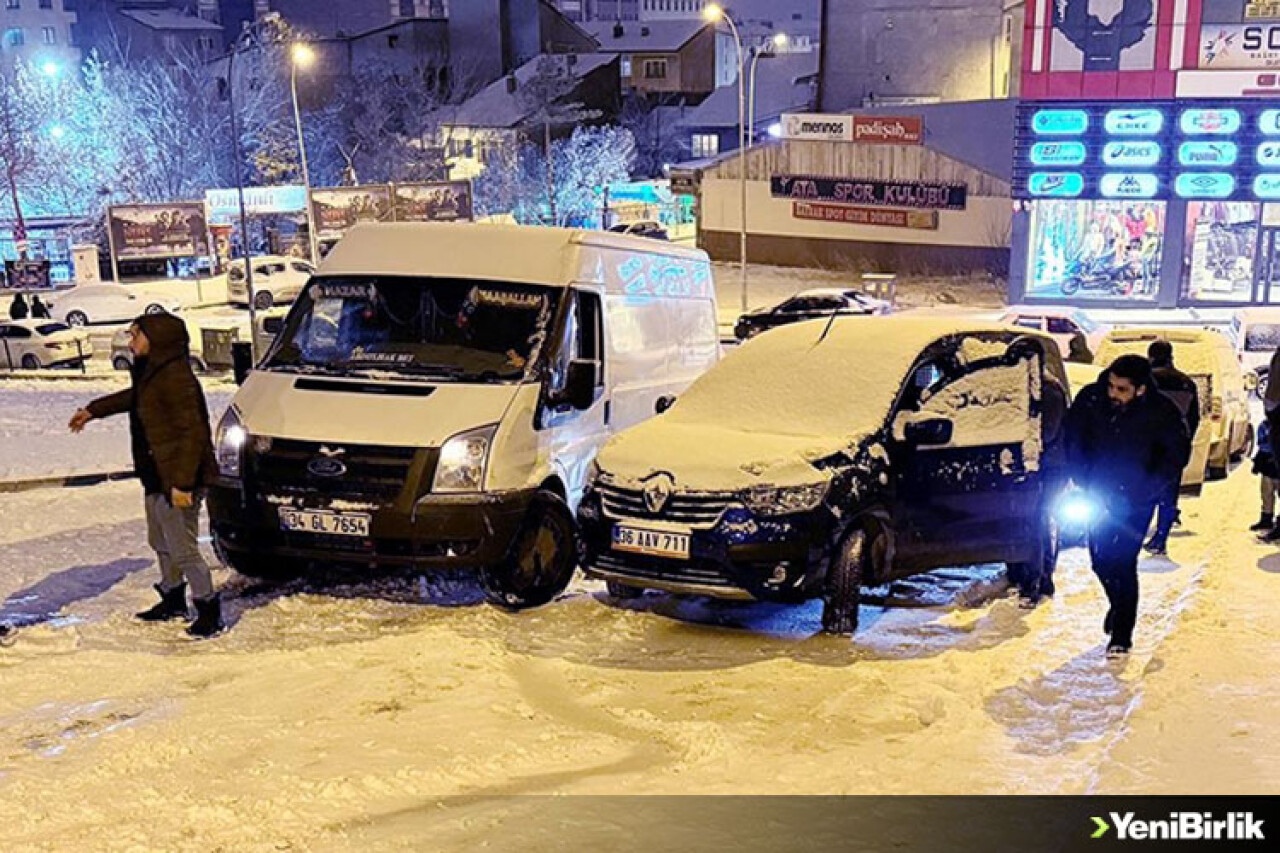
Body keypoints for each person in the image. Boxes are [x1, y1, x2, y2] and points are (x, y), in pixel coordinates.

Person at [68, 313, 224, 638]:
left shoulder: (176, 378)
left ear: (158, 339)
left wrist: (182, 484)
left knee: (183, 548)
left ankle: (209, 610)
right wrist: (93, 410)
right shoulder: (152, 374)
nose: (130, 342)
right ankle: (172, 598)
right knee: (160, 541)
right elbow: (134, 398)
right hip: (156, 474)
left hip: (179, 479)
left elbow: (192, 434)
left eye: (135, 335)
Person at [1066, 354, 1188, 659]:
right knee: (1099, 560)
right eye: (1111, 386)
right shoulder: (1092, 400)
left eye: (1122, 389)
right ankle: (1118, 604)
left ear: (1141, 389)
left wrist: (1147, 489)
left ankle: (1121, 635)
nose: (1114, 394)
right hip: (1098, 492)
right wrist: (1081, 477)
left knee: (1123, 561)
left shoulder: (1162, 412)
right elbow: (1073, 437)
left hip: (1136, 499)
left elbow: (1174, 456)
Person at [1143, 341, 1200, 556]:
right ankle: (1161, 537)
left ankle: (1136, 534)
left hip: (1148, 444)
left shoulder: (1147, 381)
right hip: (1175, 446)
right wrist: (1185, 439)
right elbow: (1194, 417)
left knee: (1143, 491)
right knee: (1169, 492)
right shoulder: (1186, 383)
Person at [1252, 419, 1280, 536]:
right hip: (1268, 462)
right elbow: (1261, 445)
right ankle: (1266, 518)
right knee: (1266, 491)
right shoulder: (1264, 426)